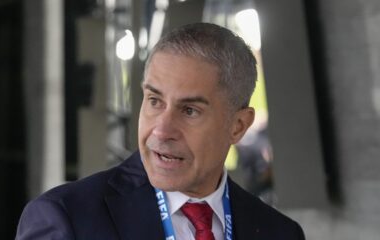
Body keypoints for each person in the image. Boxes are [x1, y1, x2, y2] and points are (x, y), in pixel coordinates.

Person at [16, 22, 305, 240]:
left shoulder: (279, 233)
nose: (162, 130)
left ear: (238, 126)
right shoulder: (66, 219)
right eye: (154, 101)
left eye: (189, 110)